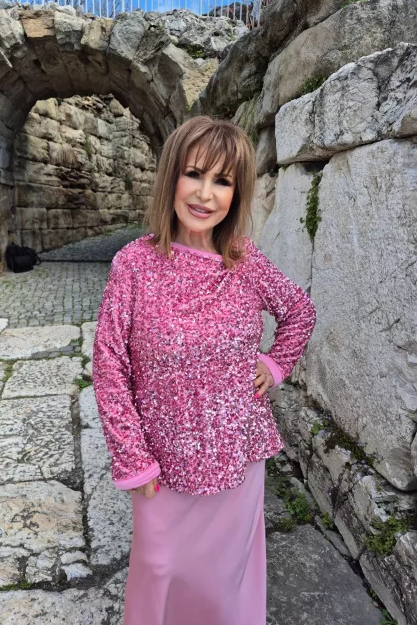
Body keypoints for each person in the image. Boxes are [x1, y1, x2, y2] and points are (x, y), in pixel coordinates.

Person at [93, 115, 316, 625]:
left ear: (236, 194)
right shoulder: (134, 264)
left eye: (222, 181)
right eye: (194, 174)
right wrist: (131, 455)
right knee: (160, 569)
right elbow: (109, 364)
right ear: (171, 176)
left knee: (221, 585)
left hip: (235, 453)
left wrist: (274, 364)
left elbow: (299, 312)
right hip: (161, 460)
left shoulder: (244, 261)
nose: (204, 194)